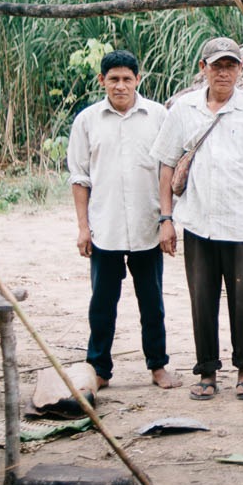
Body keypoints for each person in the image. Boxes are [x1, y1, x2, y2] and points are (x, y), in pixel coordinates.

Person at [153, 37, 243, 401]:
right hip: (199, 221)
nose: (223, 72)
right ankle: (207, 371)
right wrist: (166, 218)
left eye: (230, 66)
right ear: (203, 69)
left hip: (242, 221)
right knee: (203, 299)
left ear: (240, 70)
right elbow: (167, 165)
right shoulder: (184, 109)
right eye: (216, 66)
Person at [67, 49, 181, 389]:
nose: (120, 86)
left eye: (126, 79)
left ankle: (158, 366)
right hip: (106, 228)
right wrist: (84, 228)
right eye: (113, 79)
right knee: (102, 305)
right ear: (101, 80)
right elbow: (79, 177)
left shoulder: (158, 116)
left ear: (138, 80)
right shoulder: (87, 121)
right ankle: (99, 369)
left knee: (153, 303)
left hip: (148, 226)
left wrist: (166, 219)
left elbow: (167, 170)